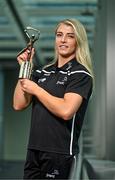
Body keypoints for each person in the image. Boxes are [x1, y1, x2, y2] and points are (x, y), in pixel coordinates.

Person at [13, 18, 94, 179]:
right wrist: (24, 67)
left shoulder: (80, 74)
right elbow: (18, 104)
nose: (63, 40)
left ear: (78, 41)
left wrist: (37, 90)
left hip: (60, 154)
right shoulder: (44, 72)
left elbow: (66, 111)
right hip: (35, 151)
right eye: (59, 35)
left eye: (70, 36)